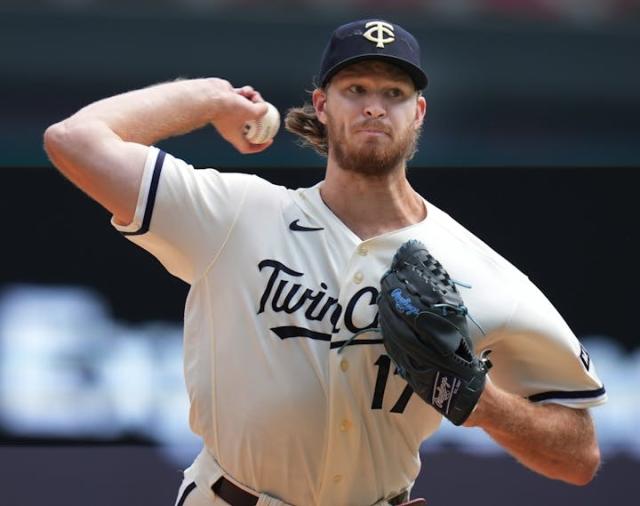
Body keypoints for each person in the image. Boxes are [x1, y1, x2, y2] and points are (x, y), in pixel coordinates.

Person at [44, 18, 606, 506]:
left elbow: (578, 457)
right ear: (321, 103)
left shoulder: (481, 271)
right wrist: (212, 98)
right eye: (355, 87)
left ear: (419, 112)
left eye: (394, 93)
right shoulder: (237, 215)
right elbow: (75, 139)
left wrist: (482, 404)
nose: (373, 106)